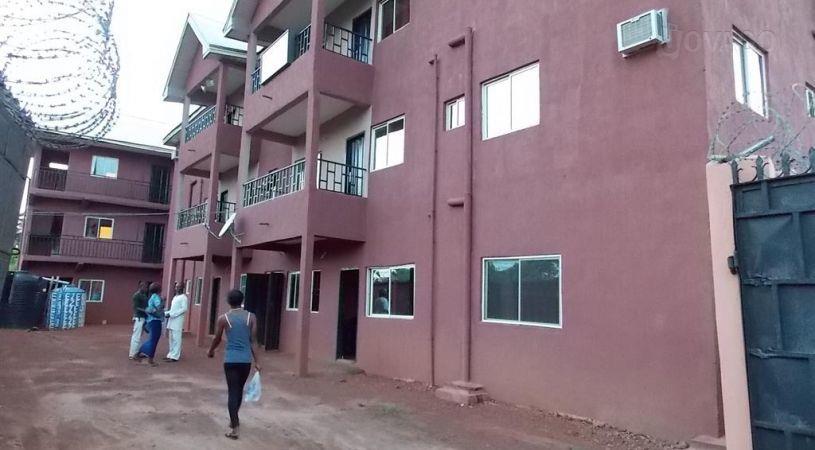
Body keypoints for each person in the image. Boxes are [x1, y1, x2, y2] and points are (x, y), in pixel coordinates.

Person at [207, 289, 261, 440]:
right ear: (242, 300)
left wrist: (210, 350)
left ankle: (235, 427)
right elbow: (254, 341)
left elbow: (217, 338)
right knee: (238, 391)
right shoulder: (251, 317)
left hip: (230, 360)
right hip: (245, 361)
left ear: (228, 301)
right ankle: (234, 420)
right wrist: (257, 361)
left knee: (233, 391)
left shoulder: (223, 318)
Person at [136, 283, 164, 366]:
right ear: (159, 289)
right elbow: (158, 308)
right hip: (155, 321)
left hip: (151, 321)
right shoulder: (156, 297)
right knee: (154, 340)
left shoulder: (152, 297)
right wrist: (163, 301)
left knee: (152, 339)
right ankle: (149, 359)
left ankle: (140, 353)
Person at [164, 282, 188, 362]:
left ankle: (175, 356)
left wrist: (172, 314)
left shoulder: (183, 297)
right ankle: (170, 354)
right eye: (176, 287)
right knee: (171, 338)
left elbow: (184, 309)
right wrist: (166, 313)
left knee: (176, 339)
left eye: (179, 287)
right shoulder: (175, 297)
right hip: (171, 320)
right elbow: (172, 309)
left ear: (182, 288)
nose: (177, 288)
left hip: (177, 321)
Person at [128, 282, 149, 360]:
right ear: (141, 287)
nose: (146, 289)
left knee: (140, 336)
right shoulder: (136, 295)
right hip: (139, 317)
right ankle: (132, 354)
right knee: (136, 336)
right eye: (145, 287)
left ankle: (137, 352)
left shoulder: (144, 296)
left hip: (143, 318)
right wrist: (146, 311)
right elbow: (136, 307)